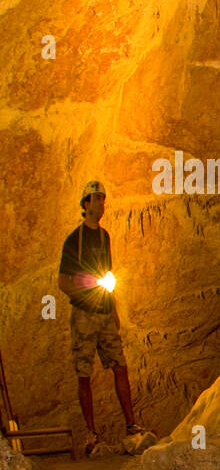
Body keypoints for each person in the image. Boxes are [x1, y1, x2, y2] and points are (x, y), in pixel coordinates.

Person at [57, 180, 141, 455]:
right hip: (83, 314)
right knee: (84, 373)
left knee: (120, 366)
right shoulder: (74, 239)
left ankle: (131, 425)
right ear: (85, 204)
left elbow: (108, 275)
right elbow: (63, 282)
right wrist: (86, 292)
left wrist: (113, 308)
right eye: (96, 199)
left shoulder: (104, 237)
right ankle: (91, 434)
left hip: (104, 312)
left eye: (103, 199)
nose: (101, 204)